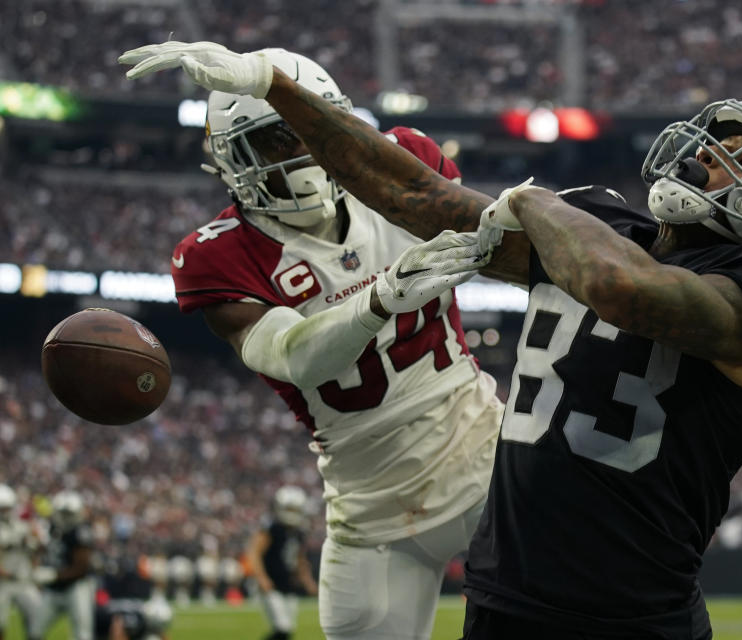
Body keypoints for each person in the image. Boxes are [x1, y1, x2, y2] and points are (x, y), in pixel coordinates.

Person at [120, 42, 742, 639]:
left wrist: (537, 204)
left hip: (632, 611)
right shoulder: (602, 224)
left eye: (740, 154)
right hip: (506, 596)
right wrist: (276, 86)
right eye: (715, 139)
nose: (704, 156)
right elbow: (418, 197)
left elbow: (624, 290)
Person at [119, 46, 503, 640]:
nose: (297, 150)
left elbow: (491, 240)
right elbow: (294, 355)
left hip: (489, 463)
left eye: (306, 128)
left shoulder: (403, 160)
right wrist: (380, 298)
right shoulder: (217, 253)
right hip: (371, 512)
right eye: (273, 141)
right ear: (229, 159)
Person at [246, 486, 318, 640]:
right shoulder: (272, 528)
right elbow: (254, 553)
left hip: (288, 585)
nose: (292, 513)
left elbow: (300, 559)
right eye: (289, 509)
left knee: (287, 630)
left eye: (295, 509)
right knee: (282, 629)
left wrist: (308, 581)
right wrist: (262, 578)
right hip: (272, 583)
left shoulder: (299, 532)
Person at [30, 490, 96, 640]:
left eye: (69, 513)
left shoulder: (80, 532)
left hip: (76, 587)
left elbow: (82, 567)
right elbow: (44, 551)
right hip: (53, 589)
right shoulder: (52, 528)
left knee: (82, 633)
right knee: (36, 629)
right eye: (63, 513)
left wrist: (54, 575)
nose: (66, 517)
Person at [0, 484, 42, 640]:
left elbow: (36, 548)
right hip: (3, 582)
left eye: (6, 508)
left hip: (23, 580)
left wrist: (34, 534)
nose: (4, 512)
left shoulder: (21, 525)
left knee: (37, 616)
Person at [94, 596, 172, 640]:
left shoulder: (142, 611)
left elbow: (161, 633)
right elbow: (117, 630)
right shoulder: (136, 620)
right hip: (98, 619)